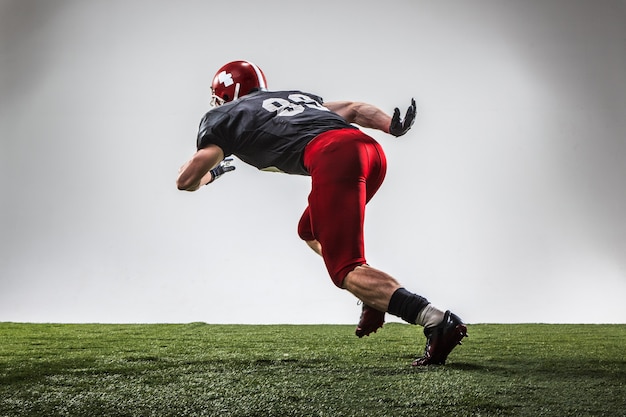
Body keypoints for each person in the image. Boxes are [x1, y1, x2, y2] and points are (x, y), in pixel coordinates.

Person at [177, 60, 467, 366]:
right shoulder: (294, 99)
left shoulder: (226, 116)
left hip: (335, 157)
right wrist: (389, 126)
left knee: (345, 270)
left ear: (226, 91)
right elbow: (355, 109)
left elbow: (185, 181)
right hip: (370, 153)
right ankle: (373, 295)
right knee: (310, 231)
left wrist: (212, 173)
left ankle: (436, 320)